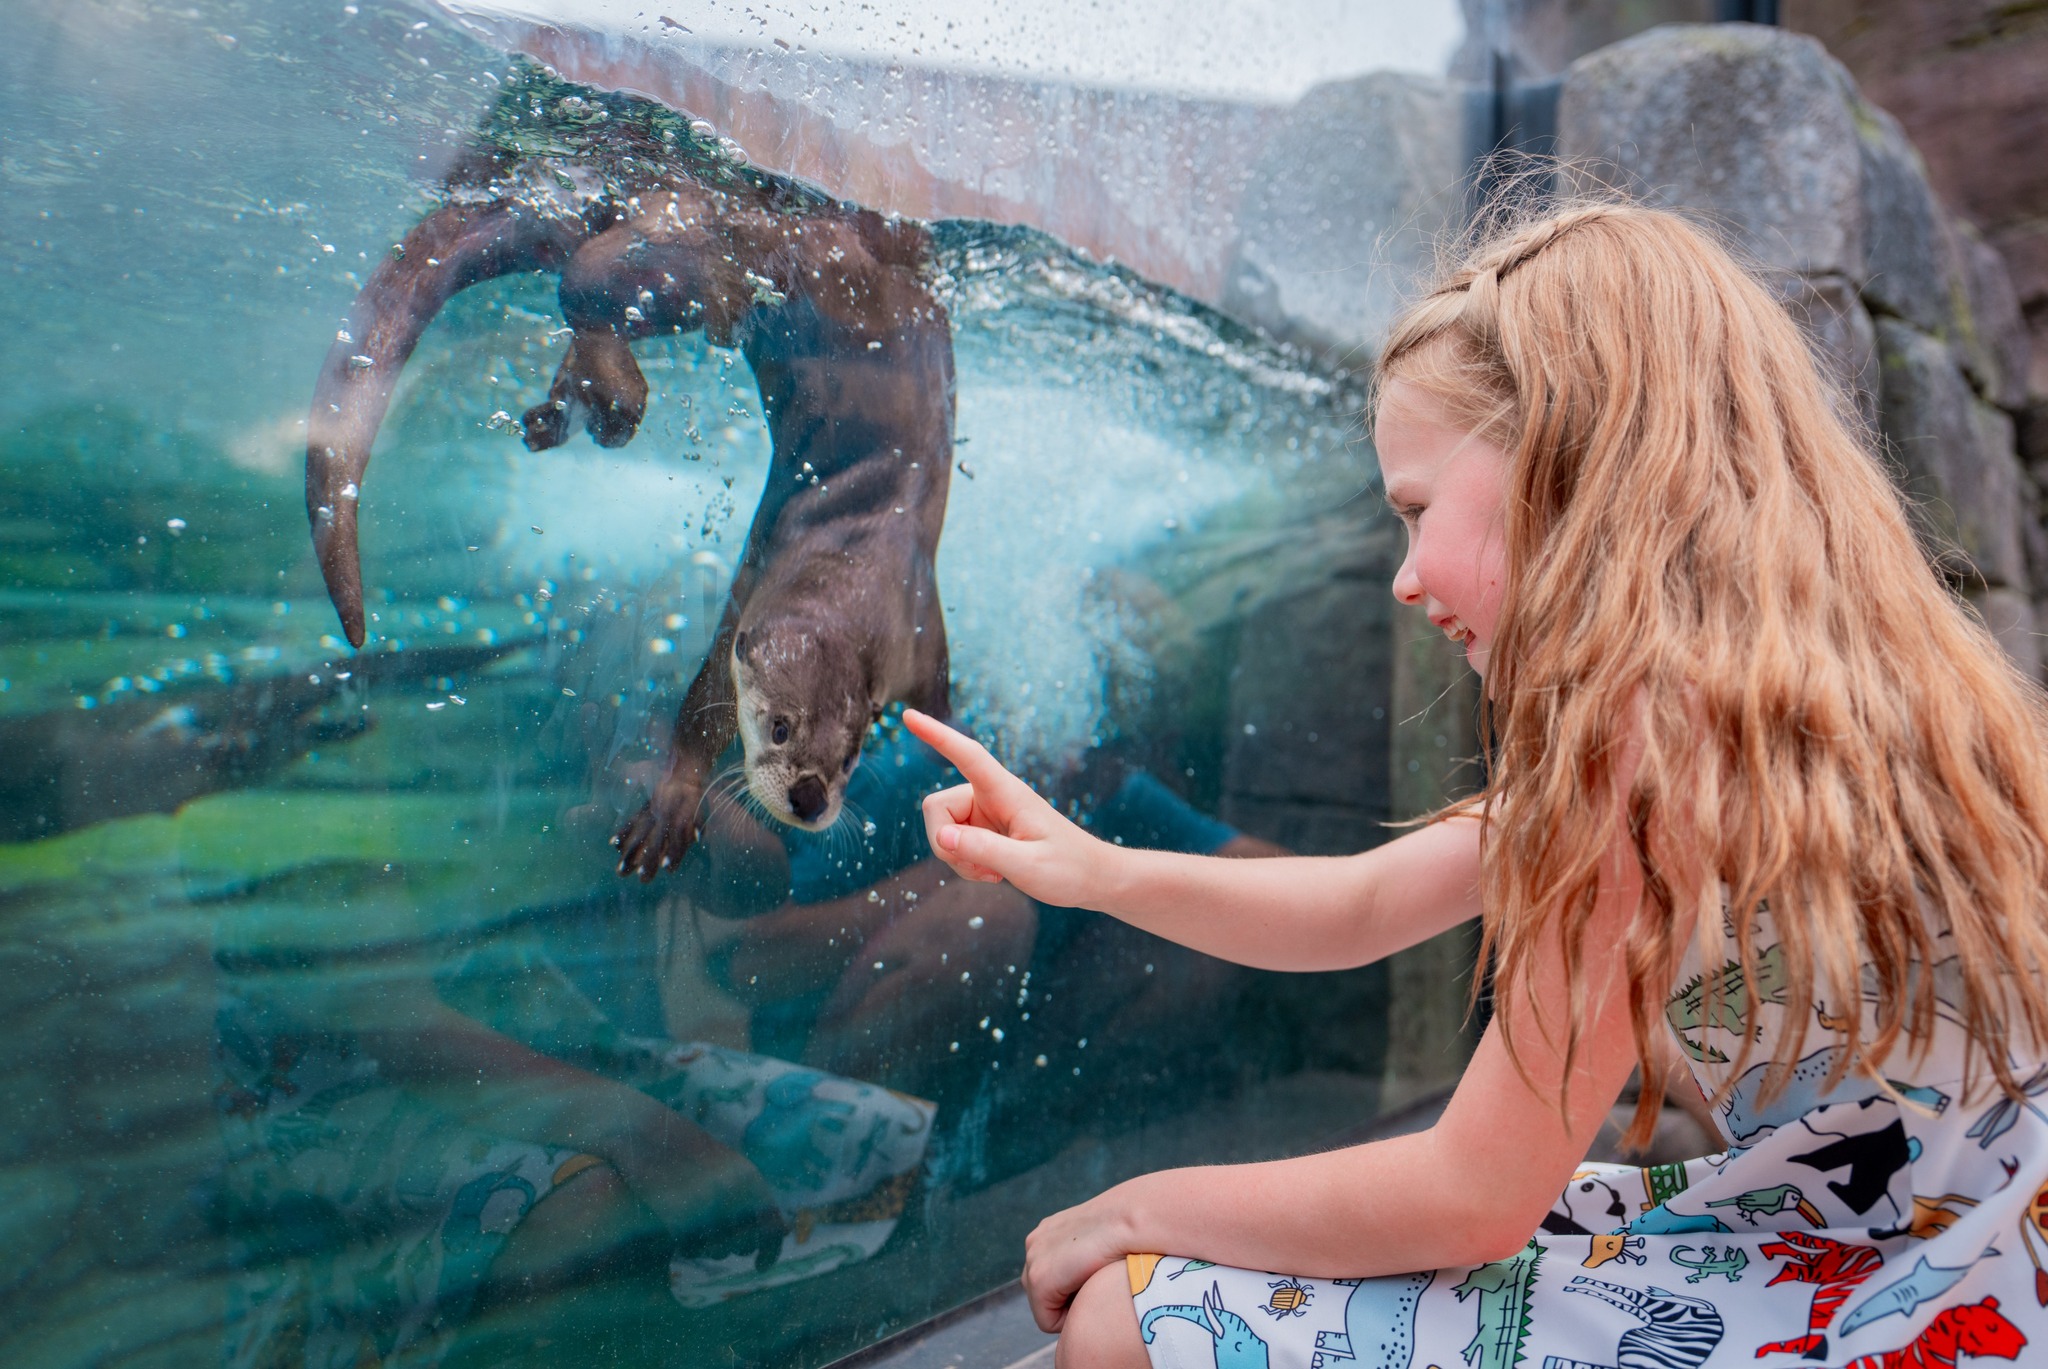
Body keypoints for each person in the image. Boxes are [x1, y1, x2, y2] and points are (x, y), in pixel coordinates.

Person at [900, 201, 2048, 1369]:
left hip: (1913, 1305)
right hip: (1955, 1253)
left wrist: (1130, 1208)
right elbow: (1357, 905)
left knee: (1127, 1319)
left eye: (1412, 510)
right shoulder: (1811, 700)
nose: (1400, 578)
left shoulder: (1649, 752)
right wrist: (1088, 867)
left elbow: (1471, 1195)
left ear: (1567, 462)